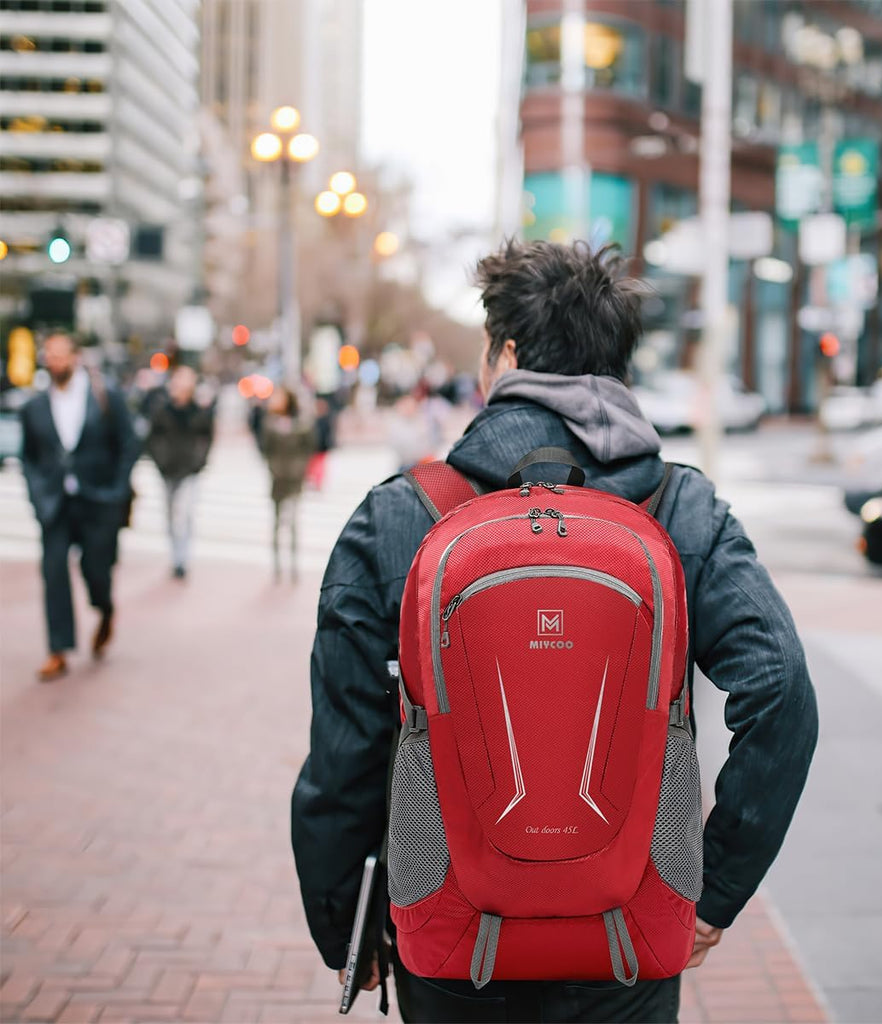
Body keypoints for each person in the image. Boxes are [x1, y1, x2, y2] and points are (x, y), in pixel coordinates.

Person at [291, 240, 818, 1022]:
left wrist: (346, 921)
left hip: (452, 935)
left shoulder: (401, 515)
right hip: (625, 937)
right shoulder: (682, 511)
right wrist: (715, 891)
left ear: (504, 355)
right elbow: (780, 693)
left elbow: (347, 747)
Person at [19, 333, 140, 682]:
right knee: (54, 572)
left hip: (98, 501)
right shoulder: (35, 406)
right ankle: (58, 650)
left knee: (96, 571)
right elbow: (28, 457)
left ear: (76, 357)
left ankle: (105, 609)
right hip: (55, 504)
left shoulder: (105, 397)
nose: (55, 361)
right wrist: (36, 494)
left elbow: (129, 443)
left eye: (61, 355)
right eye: (49, 355)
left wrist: (117, 489)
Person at [145, 366, 215, 579]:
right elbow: (152, 438)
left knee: (184, 514)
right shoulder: (162, 410)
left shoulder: (199, 411)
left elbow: (207, 437)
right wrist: (161, 460)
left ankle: (182, 559)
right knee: (170, 515)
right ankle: (175, 554)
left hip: (189, 471)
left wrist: (198, 462)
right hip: (168, 470)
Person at [259, 385, 315, 583]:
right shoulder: (269, 422)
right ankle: (277, 565)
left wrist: (300, 468)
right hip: (277, 479)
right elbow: (265, 448)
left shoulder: (301, 423)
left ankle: (293, 564)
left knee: (292, 522)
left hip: (294, 479)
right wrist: (273, 467)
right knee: (276, 523)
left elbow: (309, 447)